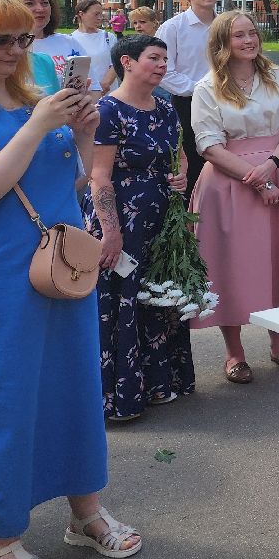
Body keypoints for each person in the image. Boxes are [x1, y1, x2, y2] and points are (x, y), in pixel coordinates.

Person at [0, 0, 143, 559]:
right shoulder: (32, 109)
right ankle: (0, 537)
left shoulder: (38, 92)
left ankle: (86, 512)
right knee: (10, 397)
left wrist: (82, 133)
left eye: (22, 38)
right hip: (4, 272)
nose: (15, 50)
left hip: (61, 262)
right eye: (1, 39)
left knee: (75, 386)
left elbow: (76, 181)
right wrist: (36, 125)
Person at [188, 10, 279, 385]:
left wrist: (272, 164)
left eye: (252, 33)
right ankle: (234, 352)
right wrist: (257, 179)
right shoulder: (207, 87)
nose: (249, 41)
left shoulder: (278, 77)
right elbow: (208, 146)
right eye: (239, 36)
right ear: (222, 44)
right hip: (229, 184)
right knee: (232, 265)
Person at [88, 35, 194, 423]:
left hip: (161, 219)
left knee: (156, 295)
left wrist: (180, 175)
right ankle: (121, 395)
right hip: (122, 219)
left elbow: (179, 152)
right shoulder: (108, 109)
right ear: (128, 62)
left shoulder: (164, 106)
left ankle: (158, 383)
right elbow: (99, 177)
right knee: (123, 297)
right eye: (154, 58)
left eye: (165, 58)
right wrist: (110, 233)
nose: (163, 64)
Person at [157, 0, 219, 195]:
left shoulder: (225, 25)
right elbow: (164, 71)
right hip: (187, 104)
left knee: (224, 158)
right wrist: (201, 89)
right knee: (193, 161)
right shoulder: (173, 28)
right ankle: (192, 219)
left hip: (225, 101)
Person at [10, 0, 82, 81]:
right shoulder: (3, 49)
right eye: (29, 3)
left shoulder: (70, 43)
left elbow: (93, 87)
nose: (40, 9)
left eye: (44, 3)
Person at [67, 0, 117, 93]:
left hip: (108, 93)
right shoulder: (71, 39)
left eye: (101, 14)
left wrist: (105, 84)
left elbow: (116, 63)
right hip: (86, 95)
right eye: (96, 14)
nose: (100, 18)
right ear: (81, 14)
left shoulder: (108, 37)